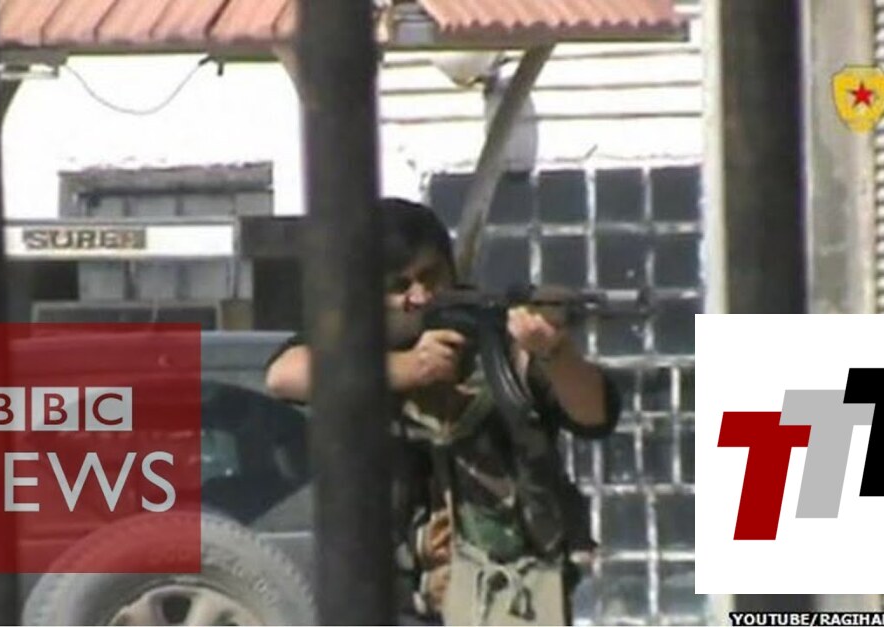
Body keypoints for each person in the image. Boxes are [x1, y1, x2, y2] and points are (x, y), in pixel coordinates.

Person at [265, 197, 622, 625]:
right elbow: (283, 375)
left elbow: (594, 416)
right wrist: (408, 368)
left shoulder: (499, 337)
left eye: (431, 276)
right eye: (399, 286)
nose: (420, 296)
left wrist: (555, 353)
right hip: (396, 595)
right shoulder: (360, 343)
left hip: (509, 593)